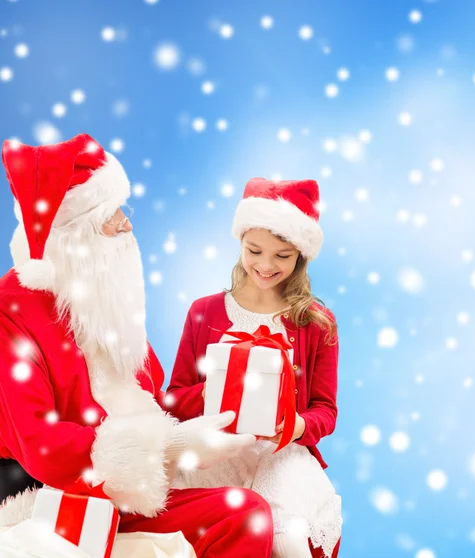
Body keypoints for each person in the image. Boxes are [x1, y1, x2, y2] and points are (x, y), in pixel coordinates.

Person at [0, 134, 274, 557]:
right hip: (60, 497)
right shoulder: (11, 313)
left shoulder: (99, 295)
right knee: (243, 514)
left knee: (257, 496)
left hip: (130, 489)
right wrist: (169, 446)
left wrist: (228, 392)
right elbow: (42, 447)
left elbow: (148, 400)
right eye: (111, 215)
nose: (127, 224)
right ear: (74, 236)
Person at [166, 178, 343, 558]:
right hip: (217, 452)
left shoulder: (316, 323)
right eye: (254, 250)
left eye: (282, 256)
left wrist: (298, 425)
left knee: (286, 537)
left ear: (300, 256)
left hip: (281, 455)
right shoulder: (204, 312)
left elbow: (325, 411)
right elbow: (174, 400)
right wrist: (221, 388)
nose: (265, 265)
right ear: (240, 242)